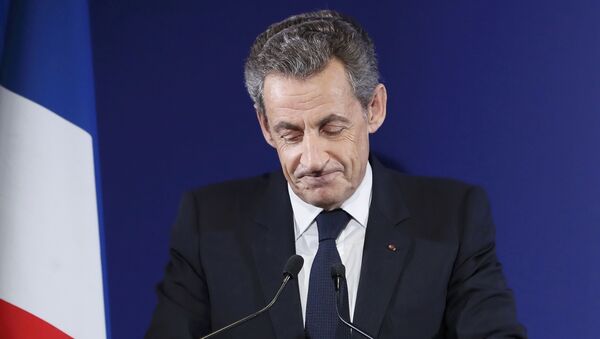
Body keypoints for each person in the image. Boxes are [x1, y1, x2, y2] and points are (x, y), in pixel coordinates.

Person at [146, 10, 526, 339]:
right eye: (290, 134)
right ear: (264, 126)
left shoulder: (451, 219)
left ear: (374, 108)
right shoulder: (208, 224)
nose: (312, 159)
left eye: (331, 128)